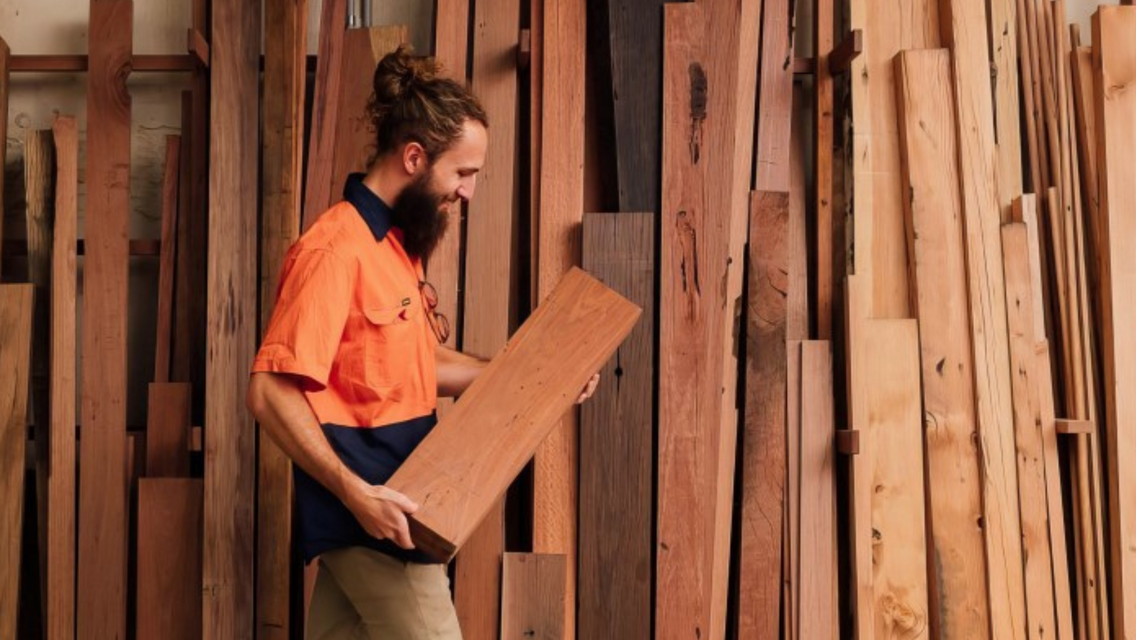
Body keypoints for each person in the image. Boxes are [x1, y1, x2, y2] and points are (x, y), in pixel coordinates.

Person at [245, 46, 600, 640]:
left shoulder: (394, 250)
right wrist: (358, 496)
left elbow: (416, 365)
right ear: (415, 157)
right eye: (462, 173)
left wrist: (542, 379)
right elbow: (269, 392)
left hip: (395, 508)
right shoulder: (336, 250)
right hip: (378, 518)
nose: (469, 193)